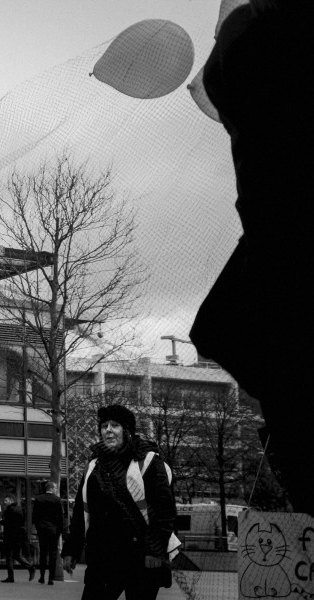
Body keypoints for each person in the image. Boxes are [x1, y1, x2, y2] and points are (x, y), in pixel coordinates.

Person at [189, 0, 314, 516]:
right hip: (275, 230)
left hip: (282, 232)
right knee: (226, 329)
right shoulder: (248, 42)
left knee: (231, 329)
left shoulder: (256, 37)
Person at [62, 404, 177, 600]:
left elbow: (165, 511)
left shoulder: (149, 462)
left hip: (141, 558)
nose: (108, 430)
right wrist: (72, 549)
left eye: (115, 425)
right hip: (103, 557)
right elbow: (82, 510)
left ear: (127, 430)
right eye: (104, 425)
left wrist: (155, 550)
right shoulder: (93, 465)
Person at [32, 481, 65, 585]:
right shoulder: (57, 500)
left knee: (43, 553)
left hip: (42, 530)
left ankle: (42, 576)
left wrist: (38, 528)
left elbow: (35, 516)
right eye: (55, 488)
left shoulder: (39, 499)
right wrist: (59, 531)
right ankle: (51, 578)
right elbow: (61, 518)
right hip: (53, 531)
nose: (56, 490)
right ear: (52, 488)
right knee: (53, 554)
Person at [0, 495, 35, 583]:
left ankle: (11, 576)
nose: (4, 502)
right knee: (17, 555)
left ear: (11, 501)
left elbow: (7, 522)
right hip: (18, 537)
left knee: (9, 556)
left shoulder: (9, 510)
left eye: (6, 500)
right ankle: (30, 567)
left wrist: (1, 522)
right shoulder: (20, 509)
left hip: (10, 536)